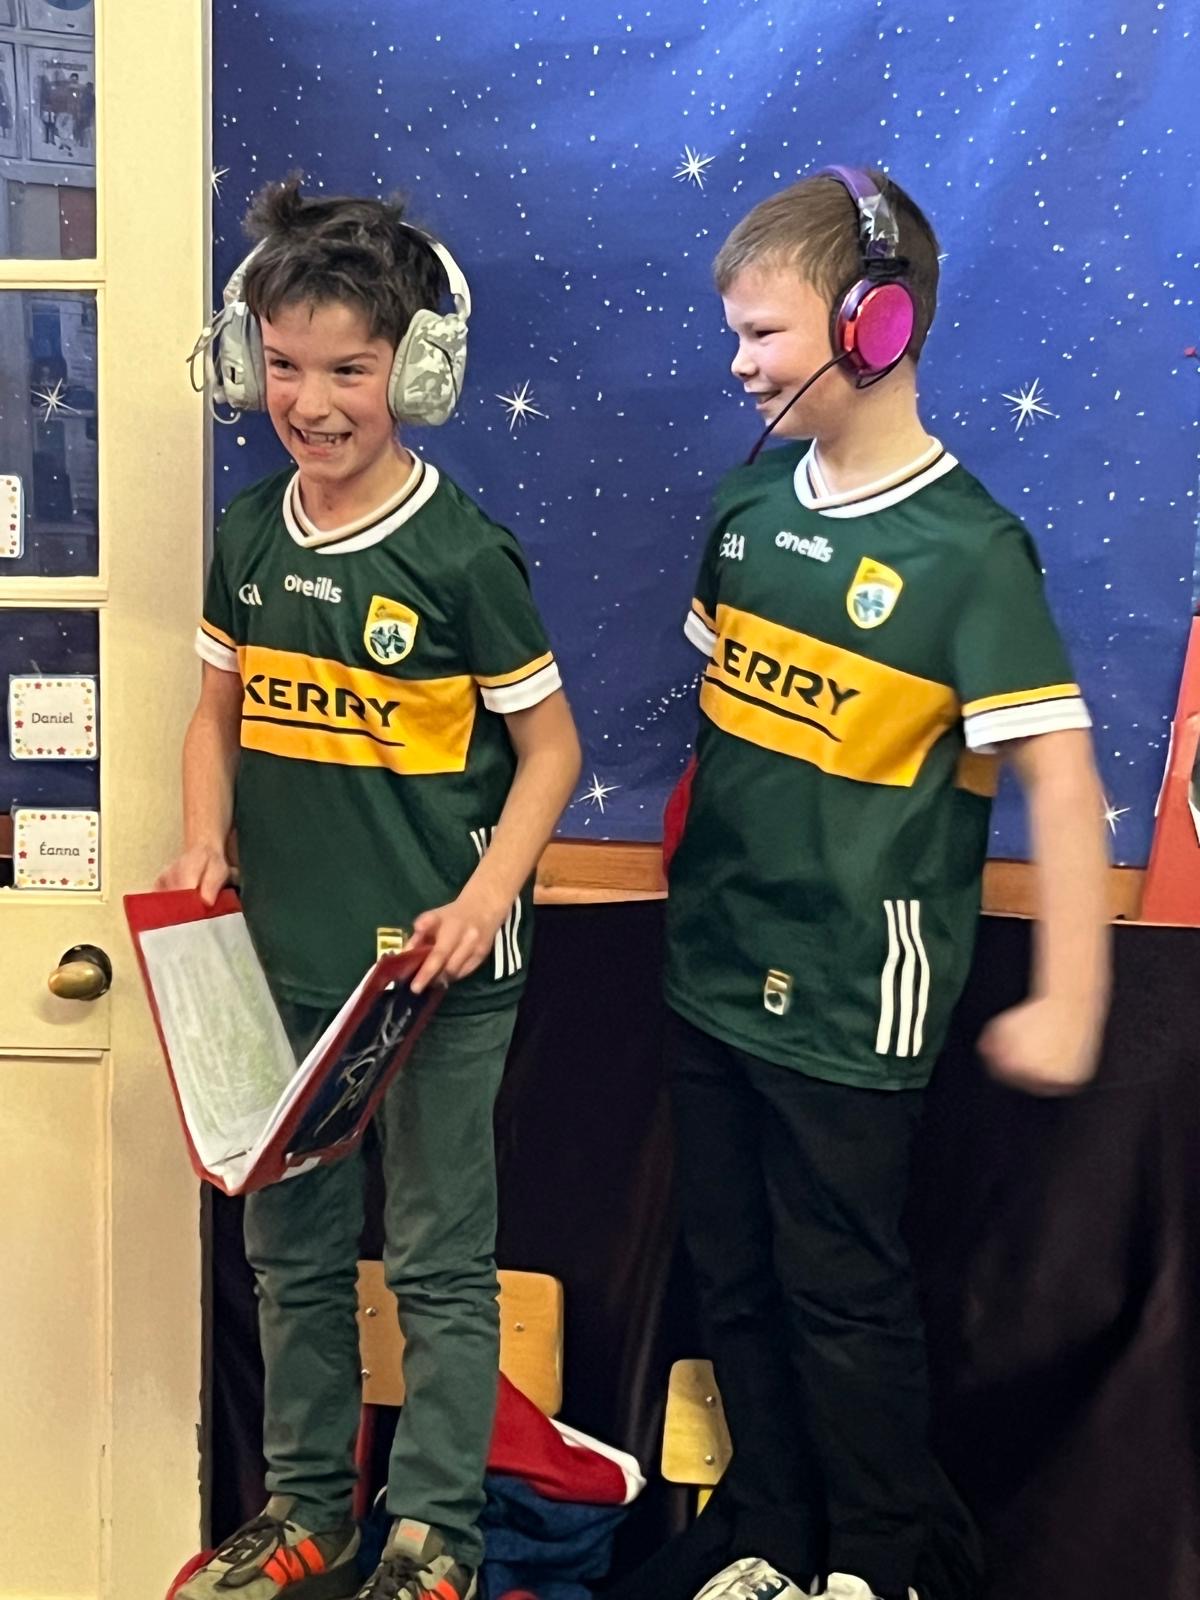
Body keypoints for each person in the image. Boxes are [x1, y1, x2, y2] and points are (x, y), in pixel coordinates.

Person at [645, 166, 1110, 1600]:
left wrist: (1073, 999)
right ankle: (773, 1541)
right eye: (734, 333)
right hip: (712, 971)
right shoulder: (746, 510)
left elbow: (1061, 782)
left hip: (855, 996)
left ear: (877, 325)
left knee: (840, 1295)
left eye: (764, 334)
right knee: (734, 1278)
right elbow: (722, 736)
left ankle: (881, 1564)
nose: (739, 363)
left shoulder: (969, 552)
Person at [159, 177, 582, 1600]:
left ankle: (433, 1533)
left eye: (348, 369)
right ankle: (308, 1513)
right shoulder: (247, 535)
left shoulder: (463, 555)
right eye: (284, 365)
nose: (311, 401)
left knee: (440, 1264)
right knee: (289, 1256)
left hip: (433, 980)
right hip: (286, 969)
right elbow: (214, 716)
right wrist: (205, 838)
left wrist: (484, 900)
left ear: (418, 368)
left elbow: (552, 752)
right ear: (246, 360)